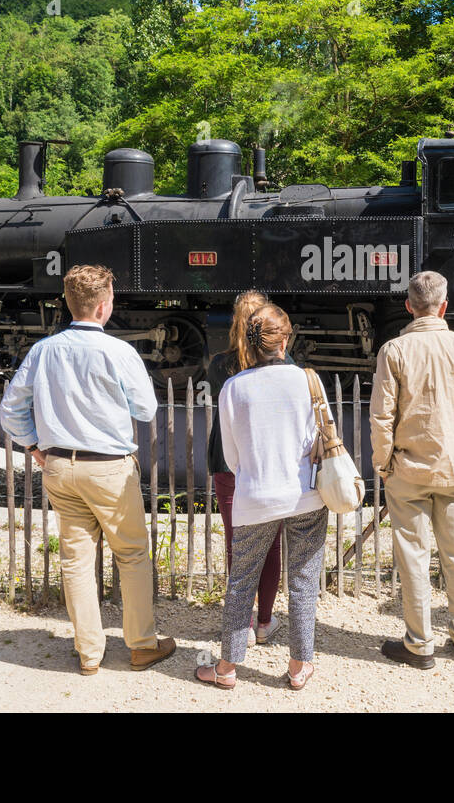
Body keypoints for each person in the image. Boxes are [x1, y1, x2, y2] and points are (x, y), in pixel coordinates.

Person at [0, 264, 172, 676]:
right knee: (131, 555)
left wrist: (33, 445)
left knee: (75, 560)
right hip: (109, 469)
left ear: (69, 303)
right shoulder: (119, 352)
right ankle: (141, 645)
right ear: (103, 306)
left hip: (59, 465)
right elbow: (146, 410)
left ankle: (89, 653)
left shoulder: (43, 350)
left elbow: (11, 409)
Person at [196, 303, 330, 691]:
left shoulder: (233, 387)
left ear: (248, 343)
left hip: (254, 496)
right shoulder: (308, 381)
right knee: (304, 581)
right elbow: (315, 441)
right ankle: (298, 666)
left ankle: (226, 669)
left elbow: (232, 456)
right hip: (305, 496)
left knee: (241, 581)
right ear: (285, 340)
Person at [372, 271, 454, 668]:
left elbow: (382, 417)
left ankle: (419, 644)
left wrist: (383, 465)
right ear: (444, 306)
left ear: (409, 306)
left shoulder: (393, 351)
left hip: (408, 469)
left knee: (413, 555)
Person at [206, 289, 284, 647]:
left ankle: (243, 624)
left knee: (238, 544)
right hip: (269, 464)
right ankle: (265, 622)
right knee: (270, 546)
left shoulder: (220, 365)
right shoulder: (284, 364)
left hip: (227, 462)